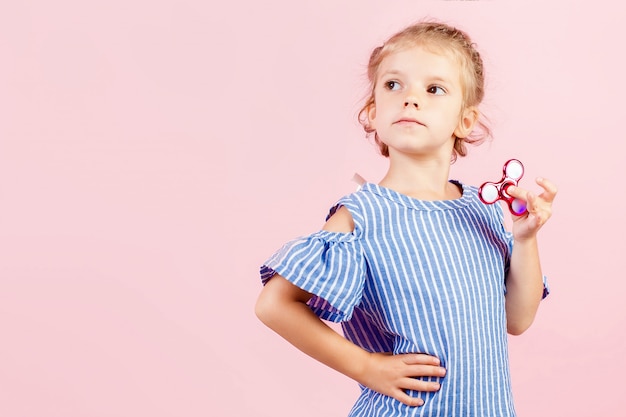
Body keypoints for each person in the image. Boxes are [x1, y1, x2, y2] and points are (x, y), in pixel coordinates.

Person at [255, 20, 557, 416]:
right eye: (393, 85)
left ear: (465, 121)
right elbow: (274, 304)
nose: (410, 99)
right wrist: (366, 367)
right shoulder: (362, 215)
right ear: (372, 112)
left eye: (434, 89)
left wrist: (525, 239)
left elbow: (517, 319)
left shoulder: (479, 211)